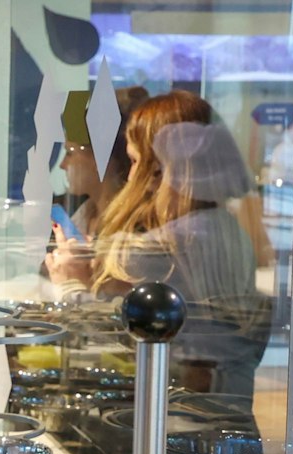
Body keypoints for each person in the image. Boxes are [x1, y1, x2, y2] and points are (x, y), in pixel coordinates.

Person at [46, 91, 272, 399]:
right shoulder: (226, 228)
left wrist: (70, 285)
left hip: (180, 417)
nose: (135, 175)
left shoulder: (167, 247)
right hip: (225, 409)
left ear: (164, 168)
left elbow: (118, 333)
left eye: (137, 161)